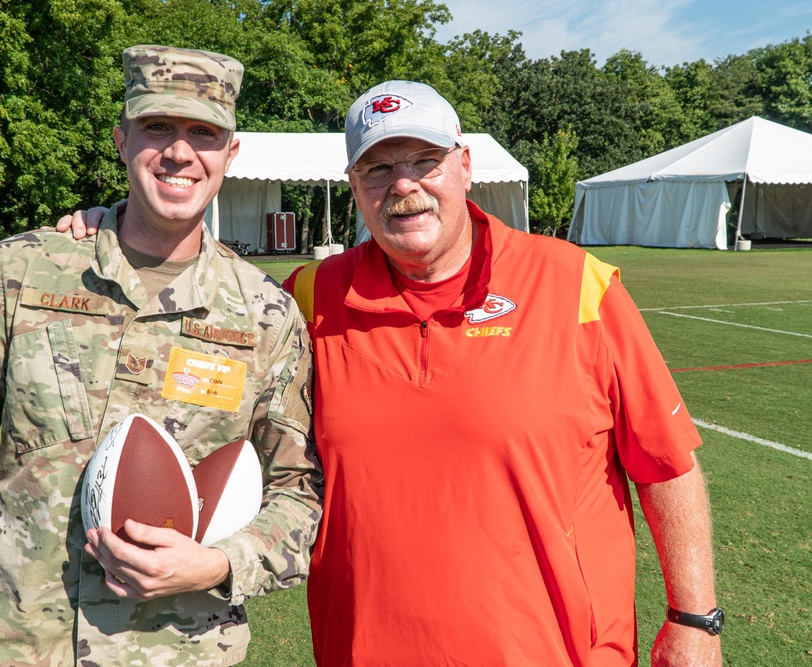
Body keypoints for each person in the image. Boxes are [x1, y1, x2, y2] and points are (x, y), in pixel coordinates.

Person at [61, 80, 723, 666]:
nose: (402, 185)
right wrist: (129, 234)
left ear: (464, 168)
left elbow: (668, 464)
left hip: (556, 649)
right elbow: (195, 346)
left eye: (423, 162)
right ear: (354, 186)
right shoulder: (311, 299)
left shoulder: (576, 285)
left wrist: (695, 620)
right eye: (377, 169)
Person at [0, 45, 321, 667]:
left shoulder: (265, 315)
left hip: (180, 651)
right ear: (122, 141)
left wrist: (224, 561)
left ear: (230, 155)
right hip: (17, 645)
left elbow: (297, 493)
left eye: (203, 133)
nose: (179, 152)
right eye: (158, 127)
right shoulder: (19, 272)